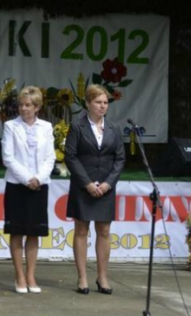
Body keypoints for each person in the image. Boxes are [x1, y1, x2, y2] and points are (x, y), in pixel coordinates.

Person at [65, 84, 125, 295]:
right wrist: (88, 183)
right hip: (84, 186)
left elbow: (120, 158)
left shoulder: (114, 128)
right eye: (98, 102)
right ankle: (82, 277)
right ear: (88, 103)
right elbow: (70, 157)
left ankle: (102, 276)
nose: (102, 106)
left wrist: (108, 183)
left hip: (106, 187)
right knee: (81, 230)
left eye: (105, 103)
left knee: (104, 231)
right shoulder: (77, 127)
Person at [0, 86, 55, 294]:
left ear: (37, 107)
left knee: (34, 232)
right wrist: (26, 179)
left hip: (40, 185)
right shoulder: (10, 126)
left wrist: (39, 178)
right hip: (16, 185)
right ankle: (19, 276)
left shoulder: (47, 127)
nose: (24, 109)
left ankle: (31, 275)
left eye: (28, 105)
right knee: (17, 230)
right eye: (21, 105)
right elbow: (8, 157)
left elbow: (50, 157)